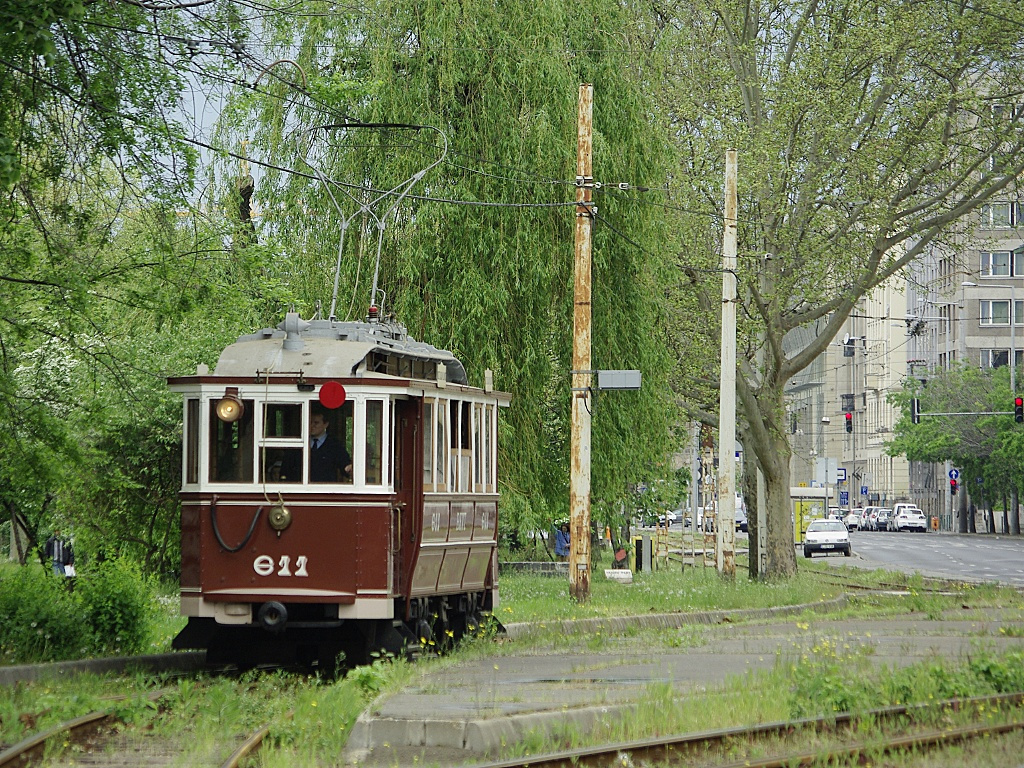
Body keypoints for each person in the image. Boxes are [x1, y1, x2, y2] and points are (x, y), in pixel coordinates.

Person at [309, 406, 352, 483]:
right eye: (310, 422)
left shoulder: (334, 445)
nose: (312, 426)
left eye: (316, 423)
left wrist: (348, 468)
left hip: (327, 489)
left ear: (326, 424)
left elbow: (345, 464)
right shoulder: (301, 443)